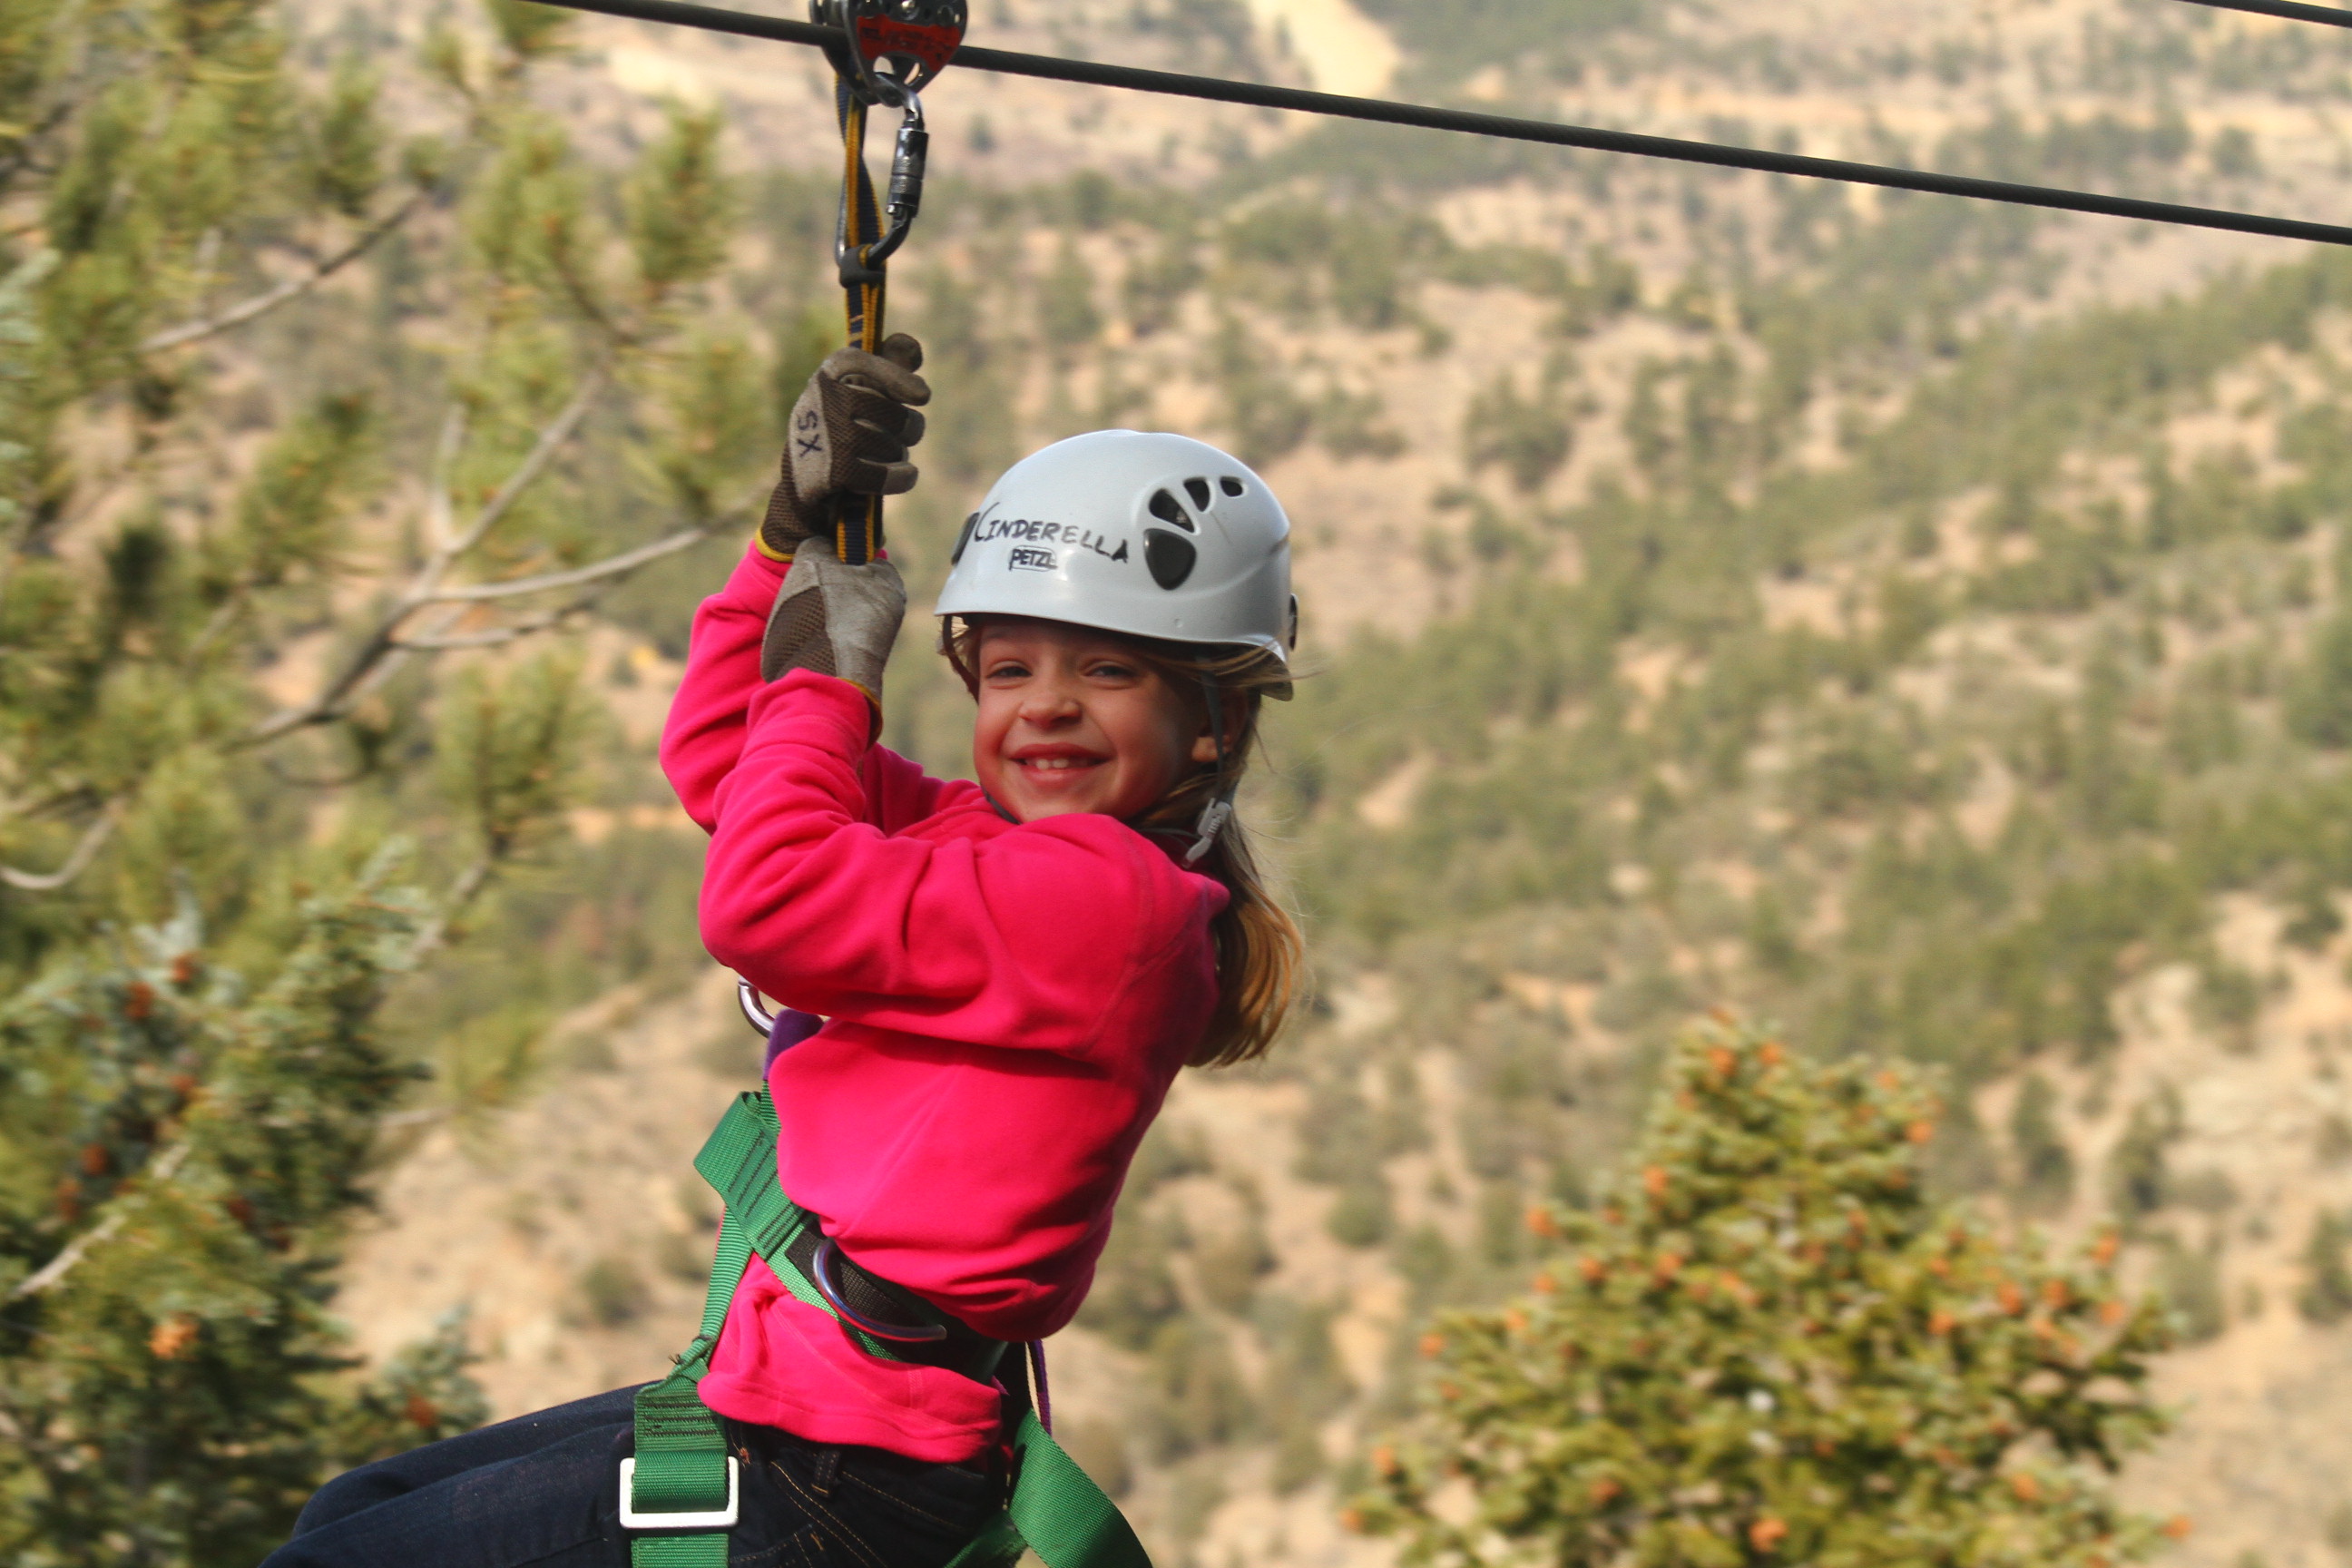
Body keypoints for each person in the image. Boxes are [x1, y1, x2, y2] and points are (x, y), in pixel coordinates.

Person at [260, 333, 1302, 1568]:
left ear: (1213, 725)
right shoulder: (992, 844)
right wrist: (779, 552)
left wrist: (824, 676)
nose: (1045, 707)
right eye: (1008, 669)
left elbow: (763, 902)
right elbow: (728, 769)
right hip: (798, 1411)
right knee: (348, 1521)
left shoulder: (1110, 907)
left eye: (1109, 671)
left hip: (834, 1463)